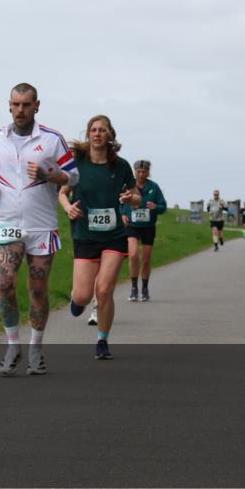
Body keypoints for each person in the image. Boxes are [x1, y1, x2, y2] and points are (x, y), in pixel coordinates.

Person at [0, 83, 79, 377]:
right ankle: (13, 345)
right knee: (4, 284)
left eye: (26, 105)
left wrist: (51, 174)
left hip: (41, 225)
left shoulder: (52, 140)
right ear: (9, 105)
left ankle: (36, 348)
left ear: (37, 106)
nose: (20, 110)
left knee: (37, 289)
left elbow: (73, 177)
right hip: (7, 223)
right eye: (15, 104)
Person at [60, 115, 139, 360]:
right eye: (93, 130)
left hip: (114, 236)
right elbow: (63, 192)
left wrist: (129, 199)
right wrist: (68, 208)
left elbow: (136, 197)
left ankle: (102, 341)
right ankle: (78, 300)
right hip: (85, 234)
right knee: (83, 295)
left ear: (110, 135)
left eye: (102, 130)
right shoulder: (77, 163)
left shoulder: (121, 165)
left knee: (104, 290)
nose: (97, 134)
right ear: (88, 135)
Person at [121, 159, 167, 302]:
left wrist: (156, 207)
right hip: (132, 226)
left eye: (144, 171)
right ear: (135, 171)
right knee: (133, 255)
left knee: (146, 259)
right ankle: (134, 287)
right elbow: (119, 201)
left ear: (148, 172)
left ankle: (145, 288)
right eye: (138, 171)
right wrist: (122, 214)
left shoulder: (154, 187)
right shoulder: (128, 186)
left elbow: (163, 206)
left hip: (148, 227)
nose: (141, 174)